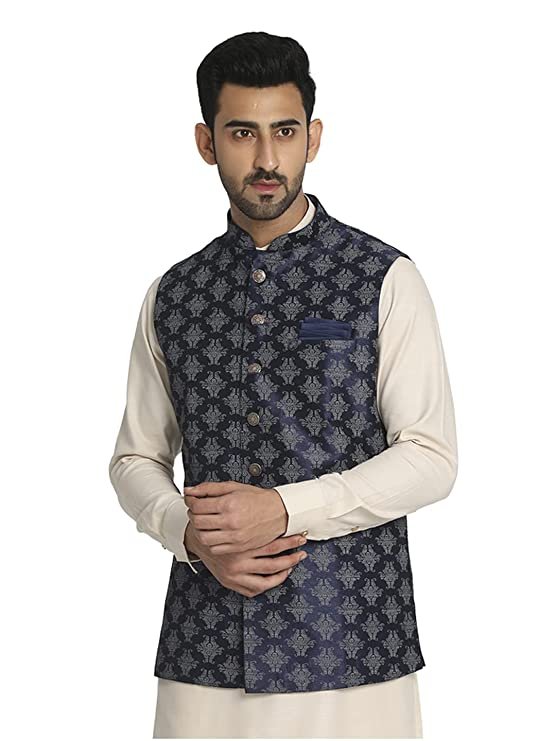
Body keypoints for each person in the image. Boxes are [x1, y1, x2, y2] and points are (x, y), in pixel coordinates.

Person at [108, 31, 458, 739]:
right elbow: (134, 459)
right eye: (243, 133)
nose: (267, 158)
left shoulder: (384, 278)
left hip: (355, 645)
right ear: (207, 143)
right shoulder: (174, 294)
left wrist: (284, 508)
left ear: (313, 138)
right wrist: (185, 532)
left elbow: (431, 458)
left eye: (285, 132)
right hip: (204, 650)